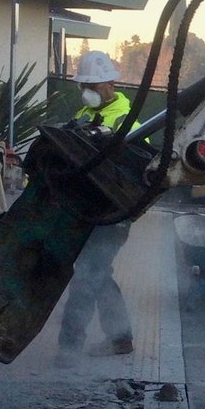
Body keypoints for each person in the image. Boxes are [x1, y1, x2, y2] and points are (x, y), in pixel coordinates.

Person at [56, 50, 136, 362]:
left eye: (93, 84)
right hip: (87, 208)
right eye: (83, 85)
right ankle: (120, 337)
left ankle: (69, 347)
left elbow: (134, 171)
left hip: (113, 212)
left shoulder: (126, 119)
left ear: (110, 84)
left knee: (88, 273)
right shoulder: (84, 117)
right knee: (97, 272)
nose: (86, 91)